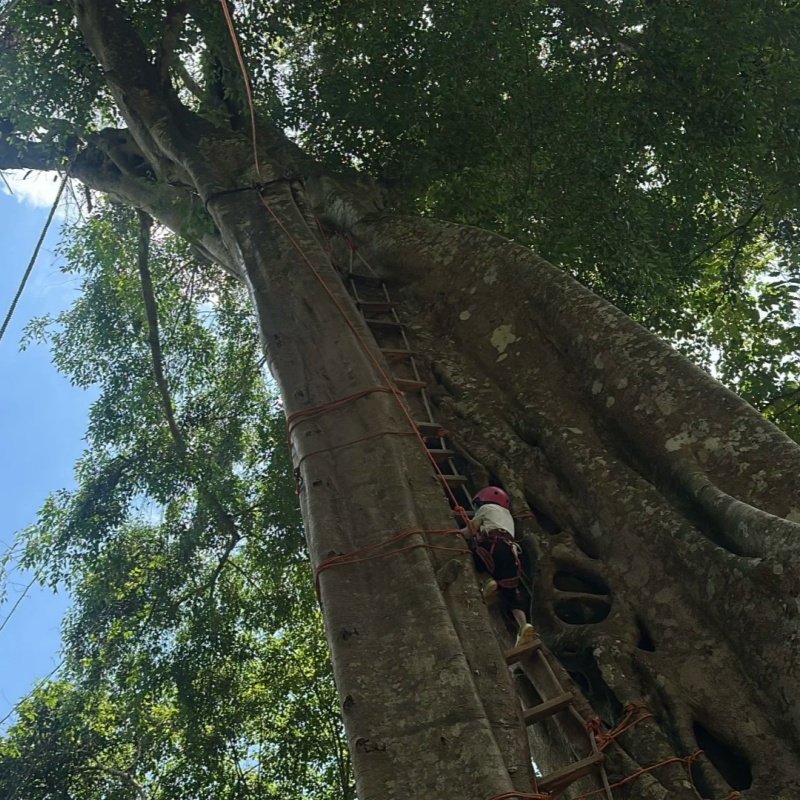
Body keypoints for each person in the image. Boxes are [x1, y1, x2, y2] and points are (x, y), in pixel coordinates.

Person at [464, 486, 535, 647]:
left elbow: (470, 531)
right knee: (511, 595)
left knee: (472, 555)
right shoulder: (508, 516)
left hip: (494, 545)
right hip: (512, 553)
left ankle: (489, 582)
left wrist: (456, 533)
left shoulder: (486, 508)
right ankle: (524, 626)